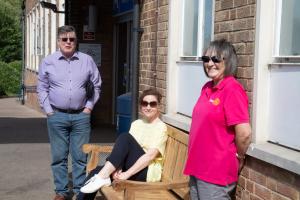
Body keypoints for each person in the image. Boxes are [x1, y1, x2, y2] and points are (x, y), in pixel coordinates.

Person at [37, 25, 101, 200]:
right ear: (58, 41)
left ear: (76, 41)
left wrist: (88, 108)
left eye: (71, 39)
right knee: (59, 157)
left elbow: (96, 84)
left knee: (80, 156)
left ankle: (80, 190)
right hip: (57, 115)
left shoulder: (87, 60)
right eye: (64, 39)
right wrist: (49, 111)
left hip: (81, 116)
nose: (68, 42)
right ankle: (62, 192)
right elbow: (42, 88)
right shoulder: (48, 62)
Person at [184, 39, 252, 200]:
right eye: (206, 59)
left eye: (216, 59)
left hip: (215, 172)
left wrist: (240, 157)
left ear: (228, 62)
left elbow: (244, 133)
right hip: (197, 167)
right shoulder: (207, 87)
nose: (210, 63)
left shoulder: (232, 89)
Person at [77, 88, 168, 200]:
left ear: (158, 106)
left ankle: (102, 176)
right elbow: (124, 150)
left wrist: (126, 174)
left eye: (152, 104)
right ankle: (100, 177)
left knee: (125, 137)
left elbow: (150, 156)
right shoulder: (136, 124)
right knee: (95, 171)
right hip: (132, 166)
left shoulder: (161, 128)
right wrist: (117, 168)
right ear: (141, 106)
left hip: (147, 172)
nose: (148, 107)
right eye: (145, 103)